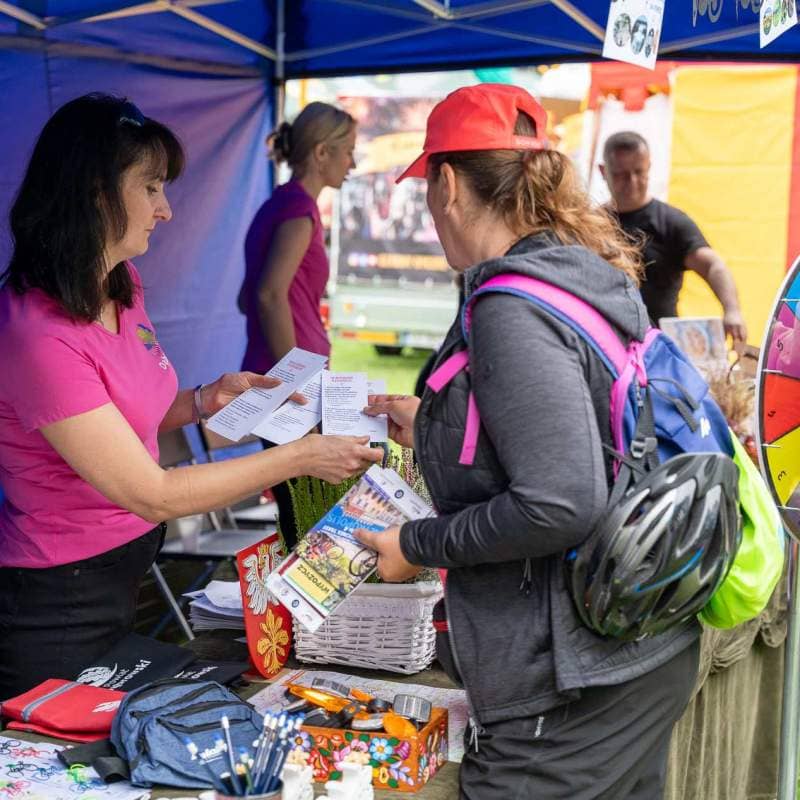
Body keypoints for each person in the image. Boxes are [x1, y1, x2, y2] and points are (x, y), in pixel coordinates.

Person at [355, 84, 701, 799]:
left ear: (446, 184)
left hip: (568, 680)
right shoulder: (576, 275)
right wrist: (432, 427)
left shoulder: (511, 307)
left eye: (426, 189)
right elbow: (580, 432)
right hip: (628, 642)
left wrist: (417, 544)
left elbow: (560, 502)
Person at [0, 93, 380, 701]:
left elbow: (126, 416)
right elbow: (150, 492)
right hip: (59, 599)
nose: (166, 210)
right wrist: (302, 456)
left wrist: (205, 399)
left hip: (123, 572)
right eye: (151, 188)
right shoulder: (36, 334)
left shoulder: (121, 287)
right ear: (97, 192)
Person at [237, 102, 356, 548]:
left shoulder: (279, 204)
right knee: (309, 517)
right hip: (292, 387)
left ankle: (299, 616)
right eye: (348, 151)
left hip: (282, 379)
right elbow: (267, 294)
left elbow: (246, 296)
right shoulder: (298, 211)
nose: (353, 162)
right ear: (322, 152)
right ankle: (301, 617)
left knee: (301, 509)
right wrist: (294, 379)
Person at [600, 130, 748, 341]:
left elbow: (713, 265)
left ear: (649, 166)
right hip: (603, 342)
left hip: (658, 347)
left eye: (638, 172)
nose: (632, 182)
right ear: (603, 171)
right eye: (621, 174)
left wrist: (732, 310)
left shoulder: (670, 222)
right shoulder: (591, 225)